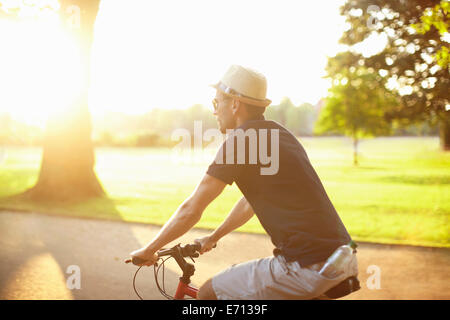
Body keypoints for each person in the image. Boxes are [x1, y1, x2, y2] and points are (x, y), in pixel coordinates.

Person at [129, 65, 358, 300]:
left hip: (306, 264)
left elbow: (191, 209)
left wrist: (150, 249)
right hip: (340, 258)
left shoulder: (240, 140)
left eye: (217, 103)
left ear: (235, 104)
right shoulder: (279, 134)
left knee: (208, 293)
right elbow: (250, 202)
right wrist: (213, 237)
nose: (215, 111)